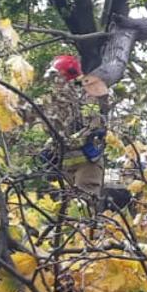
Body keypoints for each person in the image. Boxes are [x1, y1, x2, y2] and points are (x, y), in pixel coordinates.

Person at [43, 54, 106, 195]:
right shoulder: (56, 101)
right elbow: (54, 129)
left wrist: (66, 141)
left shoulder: (88, 96)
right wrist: (49, 147)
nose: (54, 82)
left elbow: (92, 126)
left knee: (84, 205)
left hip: (87, 163)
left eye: (56, 77)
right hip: (65, 164)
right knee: (63, 208)